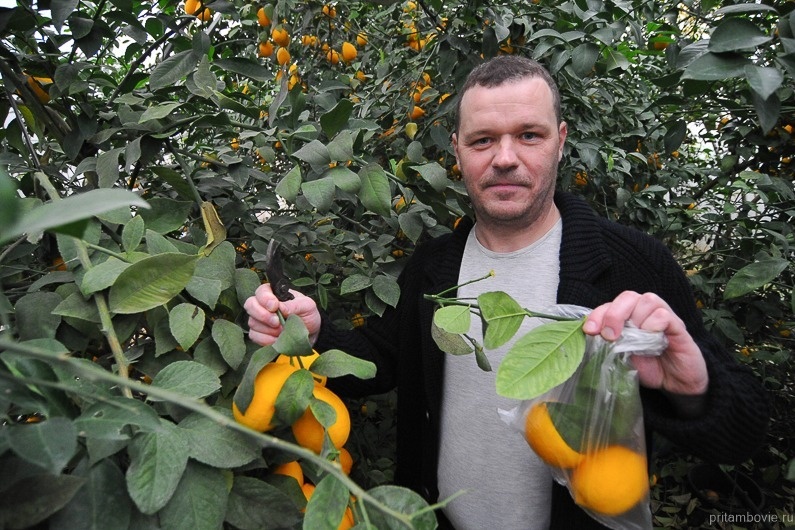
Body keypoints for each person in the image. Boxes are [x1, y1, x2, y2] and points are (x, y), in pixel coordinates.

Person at [245, 56, 769, 529]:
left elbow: (743, 432)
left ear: (561, 141)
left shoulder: (630, 265)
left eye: (529, 135)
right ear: (457, 150)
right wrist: (313, 332)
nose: (505, 158)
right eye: (482, 140)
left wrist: (692, 388)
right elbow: (381, 361)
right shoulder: (434, 267)